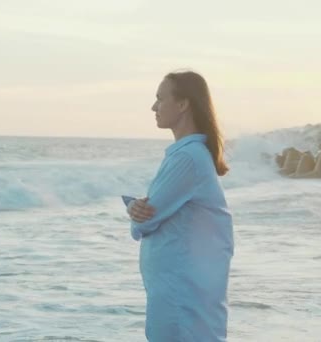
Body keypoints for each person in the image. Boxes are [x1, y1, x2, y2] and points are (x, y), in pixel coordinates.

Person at [123, 70, 234, 341]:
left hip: (181, 292)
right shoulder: (190, 155)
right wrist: (137, 209)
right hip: (181, 288)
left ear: (183, 104)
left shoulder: (187, 158)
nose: (154, 107)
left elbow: (145, 221)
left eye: (160, 98)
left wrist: (135, 214)